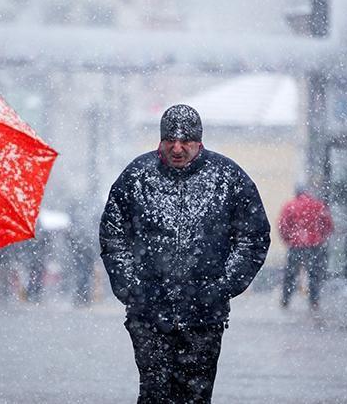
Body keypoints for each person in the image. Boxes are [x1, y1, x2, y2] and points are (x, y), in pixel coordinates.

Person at [99, 104, 271, 403]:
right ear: (160, 140)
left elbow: (254, 238)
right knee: (154, 393)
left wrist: (222, 287)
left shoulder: (228, 178)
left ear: (199, 141)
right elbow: (113, 236)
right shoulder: (136, 178)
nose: (177, 148)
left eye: (185, 141)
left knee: (195, 395)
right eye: (170, 140)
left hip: (204, 316)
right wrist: (130, 288)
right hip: (148, 314)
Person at [277, 187, 334, 311]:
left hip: (296, 245)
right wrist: (321, 237)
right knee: (314, 274)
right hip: (315, 245)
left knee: (291, 274)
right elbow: (328, 224)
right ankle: (314, 301)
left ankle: (286, 300)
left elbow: (283, 225)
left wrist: (289, 239)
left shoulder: (290, 206)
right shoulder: (318, 206)